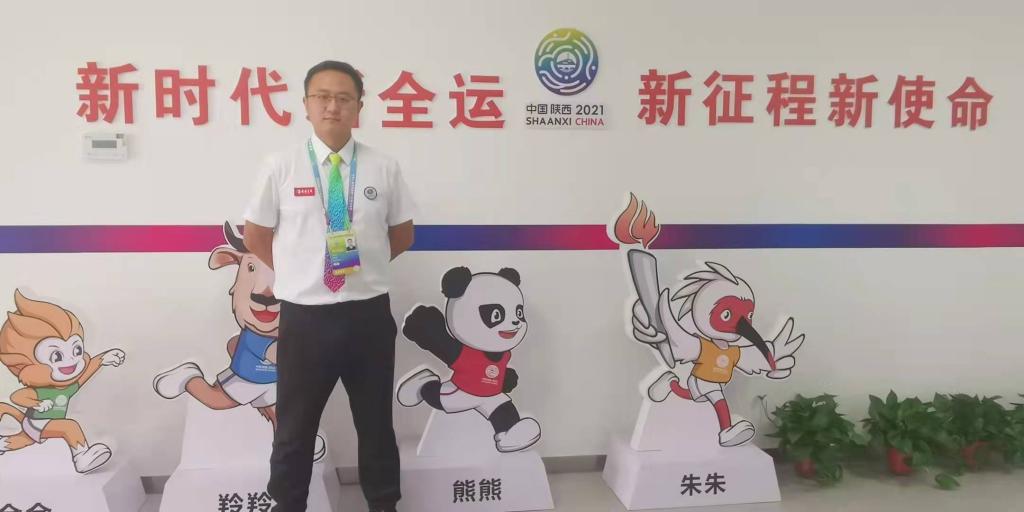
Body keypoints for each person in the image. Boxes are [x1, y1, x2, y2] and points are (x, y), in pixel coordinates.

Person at [242, 60, 416, 512]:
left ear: (359, 106)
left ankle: (384, 504)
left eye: (343, 98)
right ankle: (288, 504)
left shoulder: (383, 167)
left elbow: (402, 234)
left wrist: (363, 267)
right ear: (306, 105)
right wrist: (301, 272)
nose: (332, 106)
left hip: (368, 314)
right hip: (306, 318)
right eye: (322, 97)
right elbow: (256, 236)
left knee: (376, 424)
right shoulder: (280, 165)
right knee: (294, 427)